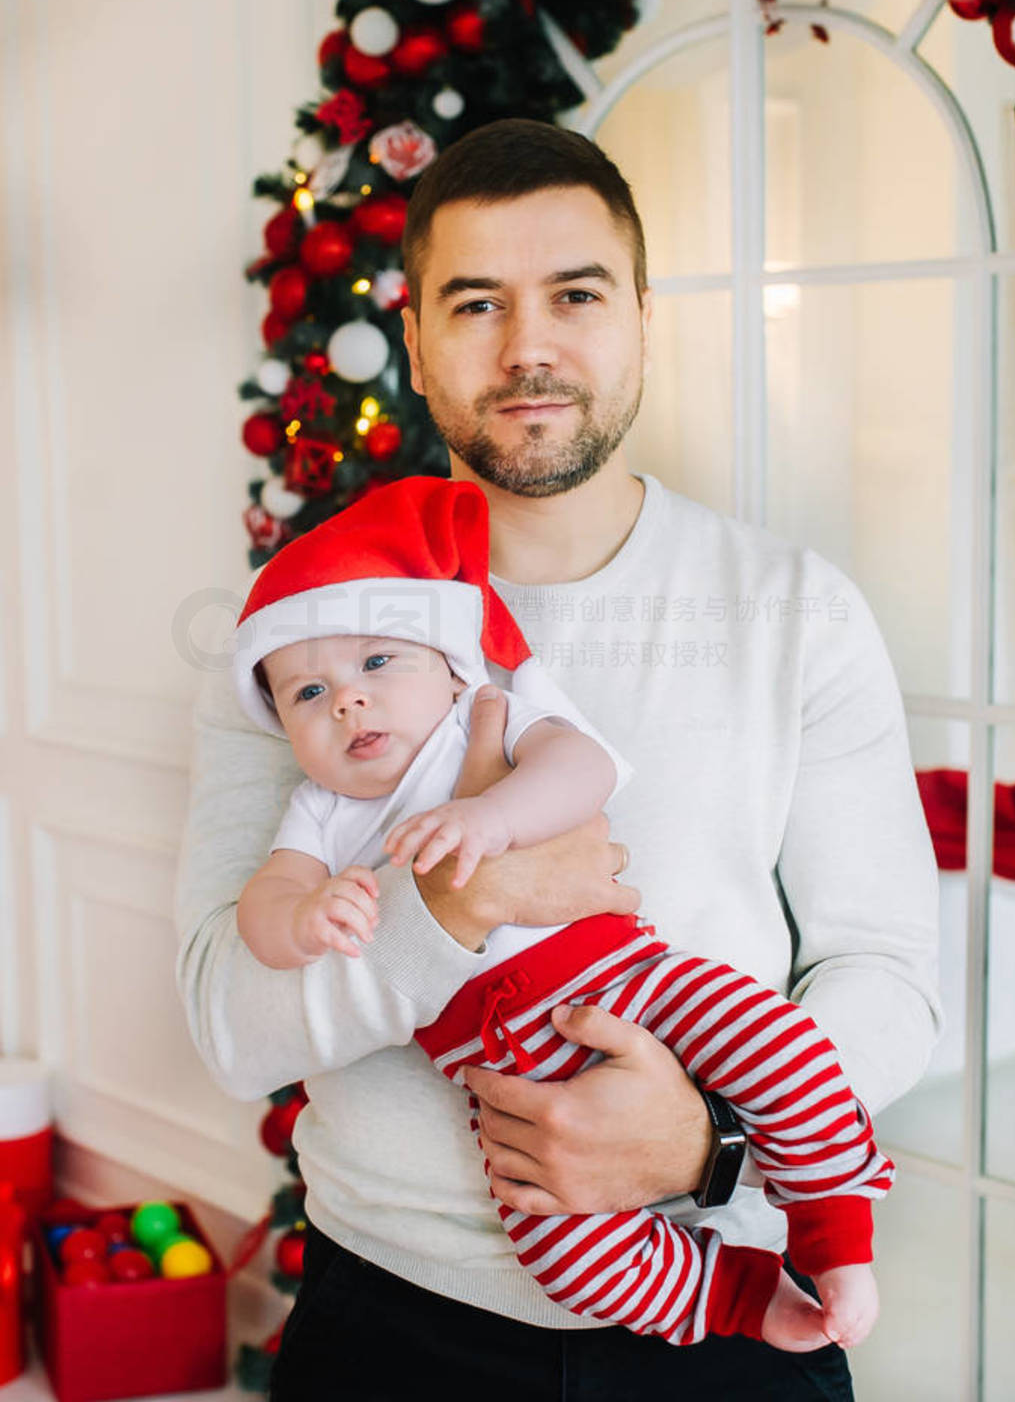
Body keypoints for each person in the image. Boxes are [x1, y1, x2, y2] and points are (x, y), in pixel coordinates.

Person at [175, 118, 941, 1400]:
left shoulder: (792, 609)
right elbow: (225, 1019)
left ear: (641, 316)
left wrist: (708, 1139)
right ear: (414, 342)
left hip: (727, 1329)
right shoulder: (301, 633)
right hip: (392, 1320)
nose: (528, 346)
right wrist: (450, 907)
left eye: (574, 295)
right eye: (475, 303)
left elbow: (889, 977)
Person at [230, 473, 892, 1355]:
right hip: (501, 1070)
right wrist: (305, 916)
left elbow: (582, 769)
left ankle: (833, 1232)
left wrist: (490, 818)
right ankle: (734, 1296)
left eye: (377, 661)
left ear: (448, 662)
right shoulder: (320, 809)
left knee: (777, 1044)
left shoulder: (489, 715)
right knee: (563, 1251)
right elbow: (262, 907)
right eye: (306, 695)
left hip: (634, 981)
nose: (346, 699)